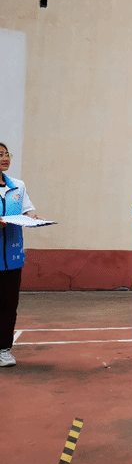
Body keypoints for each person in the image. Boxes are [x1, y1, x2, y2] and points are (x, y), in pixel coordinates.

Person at [0, 143, 44, 368]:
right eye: (0, 154)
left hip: (12, 258)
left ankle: (3, 349)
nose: (5, 158)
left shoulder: (18, 186)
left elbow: (27, 210)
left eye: (7, 154)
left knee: (8, 305)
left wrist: (33, 217)